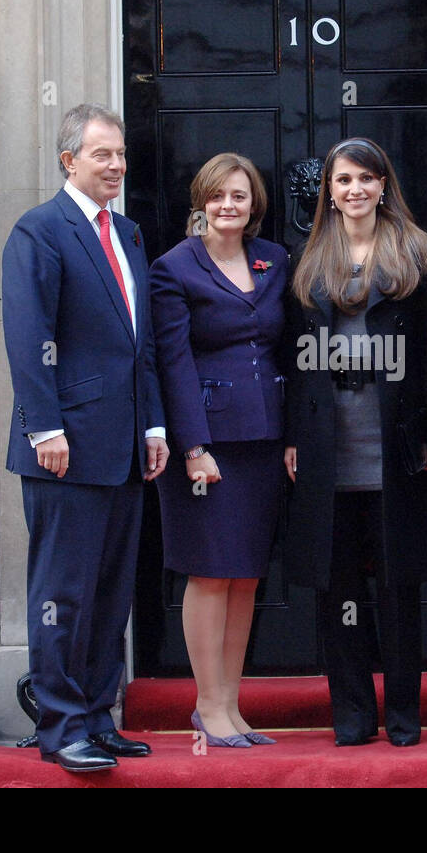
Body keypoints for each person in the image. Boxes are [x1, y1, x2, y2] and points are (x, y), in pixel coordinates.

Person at [2, 103, 170, 772]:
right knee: (63, 592)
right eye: (104, 155)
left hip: (125, 444)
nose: (118, 166)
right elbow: (29, 334)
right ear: (69, 159)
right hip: (64, 445)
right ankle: (62, 723)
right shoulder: (40, 231)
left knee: (110, 591)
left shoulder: (126, 234)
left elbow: (141, 342)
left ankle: (99, 716)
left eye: (121, 155)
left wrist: (153, 422)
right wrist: (45, 425)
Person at [285, 137, 427, 747]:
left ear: (384, 186)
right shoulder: (308, 260)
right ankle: (352, 717)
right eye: (343, 180)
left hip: (398, 443)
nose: (354, 190)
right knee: (339, 591)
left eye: (366, 179)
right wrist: (296, 435)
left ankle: (404, 716)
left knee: (398, 586)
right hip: (329, 443)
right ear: (328, 190)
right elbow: (294, 359)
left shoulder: (420, 254)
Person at [149, 153, 288, 748]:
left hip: (264, 438)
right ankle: (207, 705)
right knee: (209, 573)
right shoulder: (173, 269)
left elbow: (287, 345)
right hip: (206, 444)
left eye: (239, 196)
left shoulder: (274, 260)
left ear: (253, 203)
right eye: (217, 196)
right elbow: (172, 362)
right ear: (200, 202)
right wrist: (192, 446)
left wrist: (295, 436)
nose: (228, 206)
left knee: (246, 576)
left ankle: (231, 706)